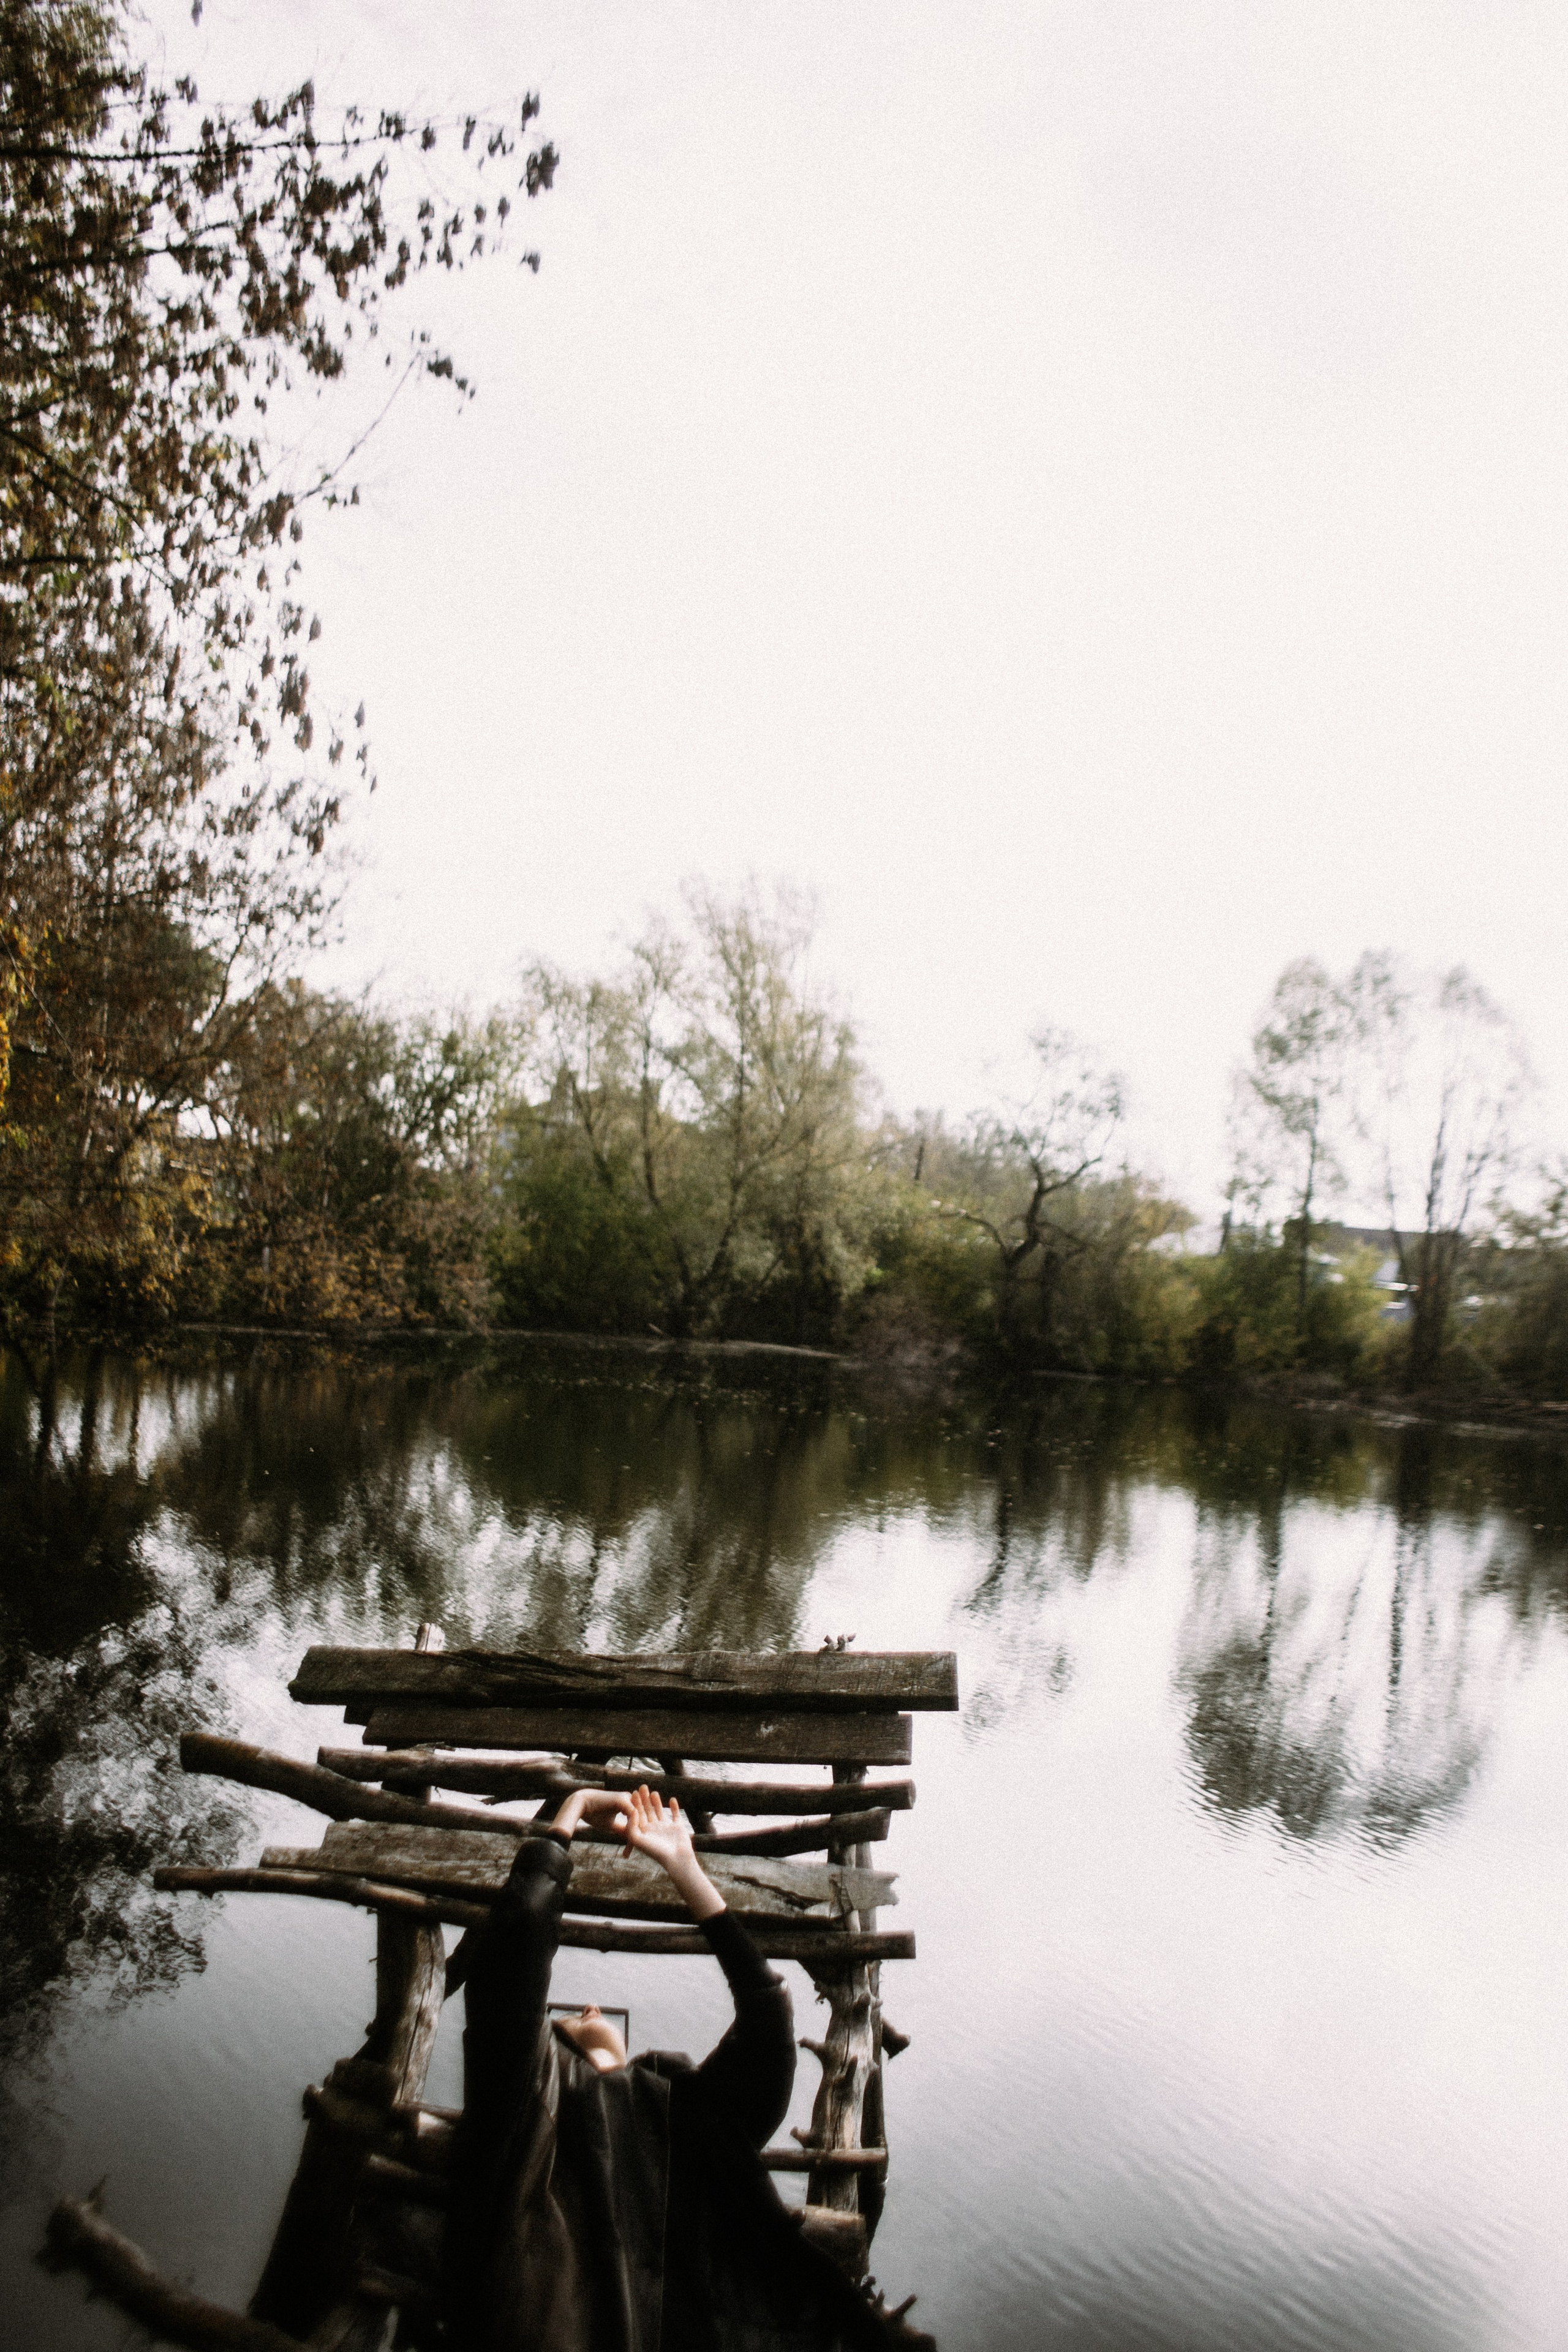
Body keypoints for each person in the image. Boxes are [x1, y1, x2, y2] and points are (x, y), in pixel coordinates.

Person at [445, 1783, 924, 2352]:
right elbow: (516, 1955)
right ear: (555, 2044)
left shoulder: (683, 2114)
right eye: (574, 2017)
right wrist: (575, 1811)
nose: (590, 2008)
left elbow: (768, 2016)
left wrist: (678, 1862)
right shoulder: (540, 2108)